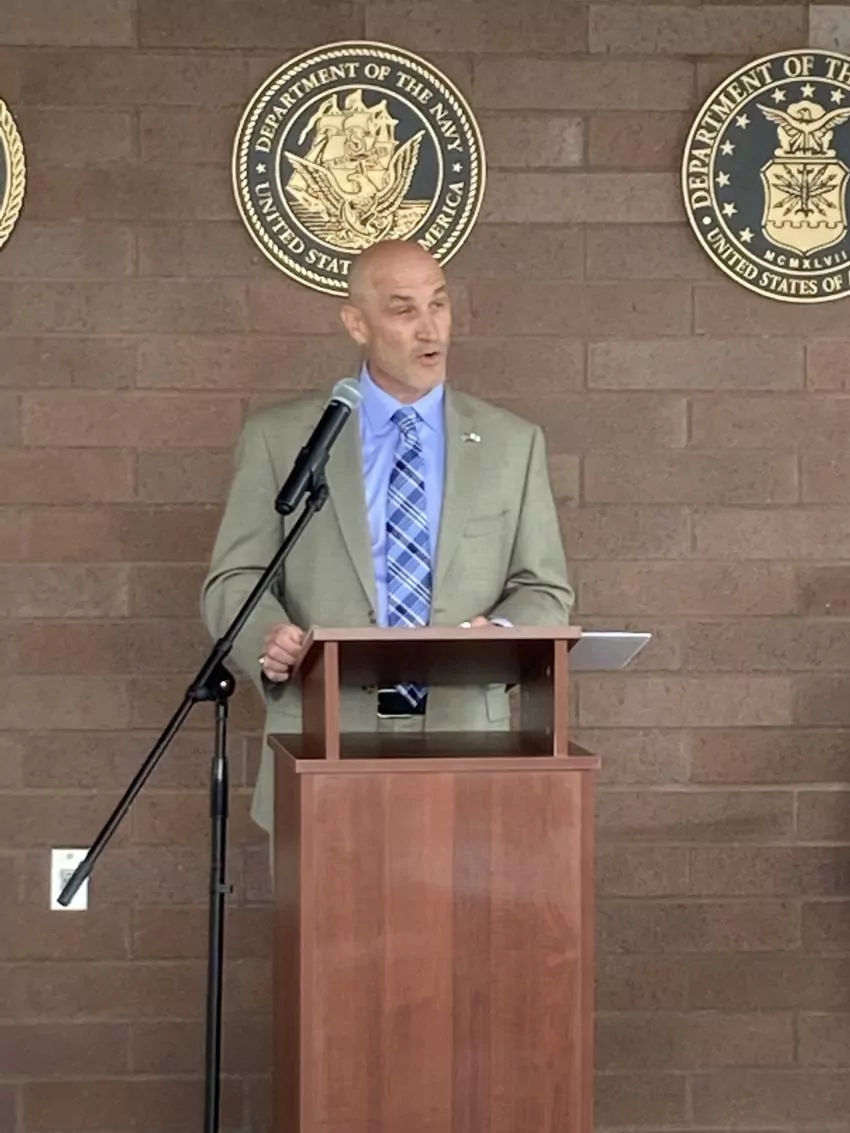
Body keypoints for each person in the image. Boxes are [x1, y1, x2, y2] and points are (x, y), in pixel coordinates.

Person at [201, 239, 573, 837]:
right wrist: (265, 635)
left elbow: (545, 588)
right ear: (357, 324)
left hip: (467, 744)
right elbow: (234, 578)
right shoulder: (283, 437)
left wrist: (501, 634)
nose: (430, 329)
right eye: (404, 310)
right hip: (322, 742)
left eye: (439, 305)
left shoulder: (512, 443)